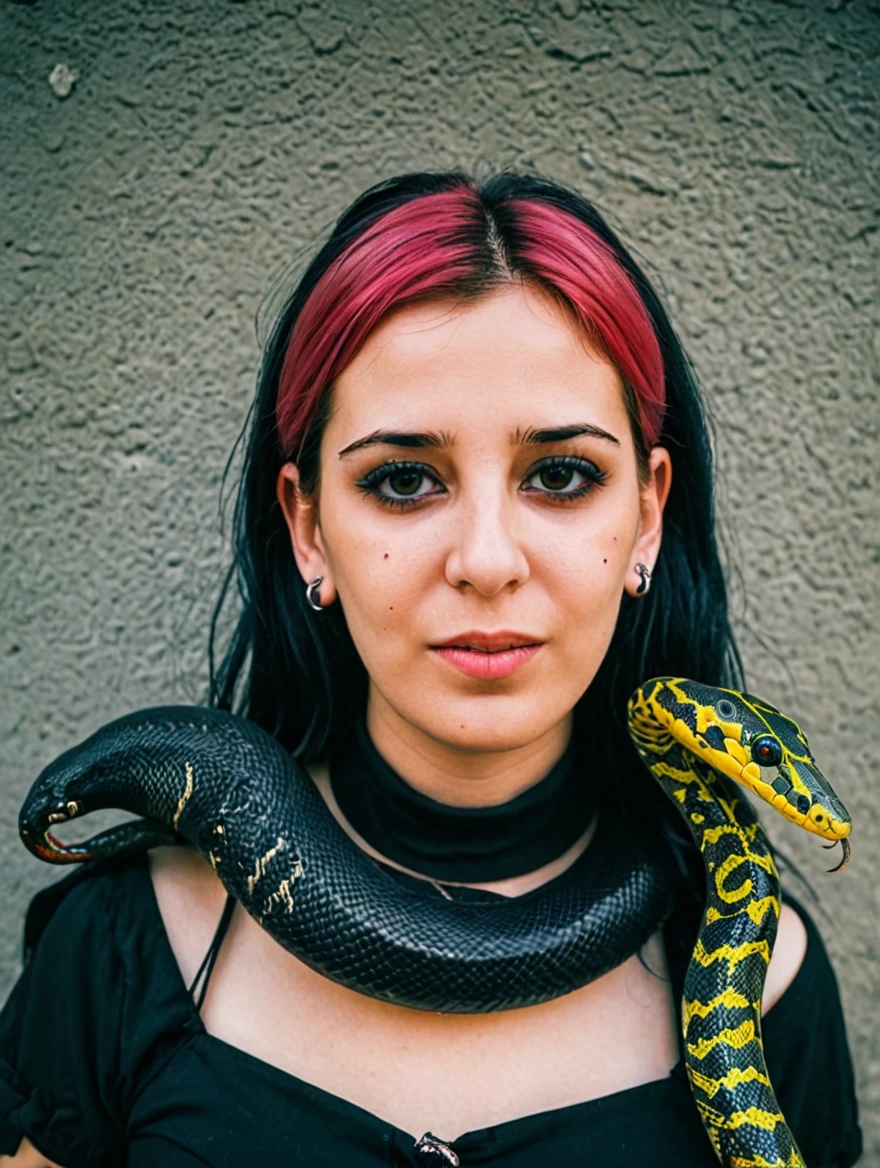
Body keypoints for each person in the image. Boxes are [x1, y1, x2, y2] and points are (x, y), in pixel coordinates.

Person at [0, 171, 862, 1167]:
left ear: (648, 515)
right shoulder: (128, 939)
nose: (486, 561)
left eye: (561, 474)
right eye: (402, 480)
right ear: (308, 527)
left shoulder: (766, 988)